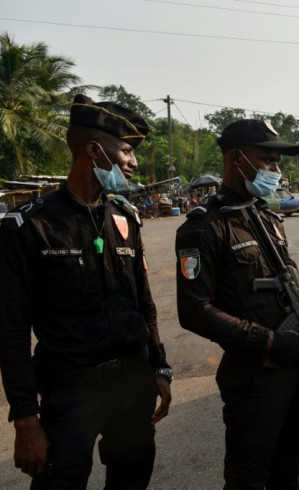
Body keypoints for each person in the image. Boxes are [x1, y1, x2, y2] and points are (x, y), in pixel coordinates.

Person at [0, 94, 172, 489]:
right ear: (94, 151)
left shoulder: (124, 216)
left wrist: (159, 368)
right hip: (70, 391)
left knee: (132, 479)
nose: (132, 162)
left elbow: (144, 303)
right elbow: (10, 330)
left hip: (133, 386)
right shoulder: (30, 227)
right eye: (126, 151)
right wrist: (25, 418)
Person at [175, 119, 299, 489]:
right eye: (268, 160)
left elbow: (293, 291)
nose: (276, 171)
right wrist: (266, 340)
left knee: (290, 467)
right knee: (248, 478)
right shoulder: (204, 227)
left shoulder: (266, 217)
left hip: (295, 366)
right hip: (253, 377)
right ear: (237, 159)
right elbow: (194, 311)